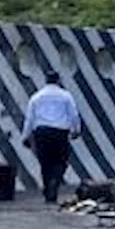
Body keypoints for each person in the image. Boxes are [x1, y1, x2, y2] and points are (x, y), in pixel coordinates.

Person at [23, 71, 82, 204]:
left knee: (45, 163)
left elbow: (29, 119)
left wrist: (26, 136)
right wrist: (76, 130)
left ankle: (48, 192)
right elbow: (74, 115)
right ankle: (55, 181)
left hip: (41, 133)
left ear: (46, 80)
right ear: (58, 80)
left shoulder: (36, 97)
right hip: (60, 133)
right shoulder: (66, 96)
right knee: (61, 160)